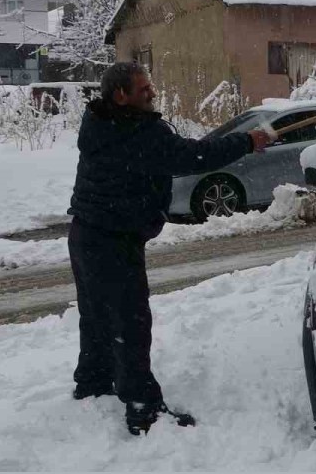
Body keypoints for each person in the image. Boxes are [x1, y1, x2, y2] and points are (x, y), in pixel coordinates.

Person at [67, 62, 272, 435]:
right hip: (113, 239)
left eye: (150, 85)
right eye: (143, 88)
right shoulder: (137, 133)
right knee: (130, 322)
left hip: (85, 233)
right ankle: (142, 408)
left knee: (96, 313)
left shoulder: (100, 121)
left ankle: (92, 381)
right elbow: (194, 156)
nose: (152, 92)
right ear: (120, 96)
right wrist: (247, 142)